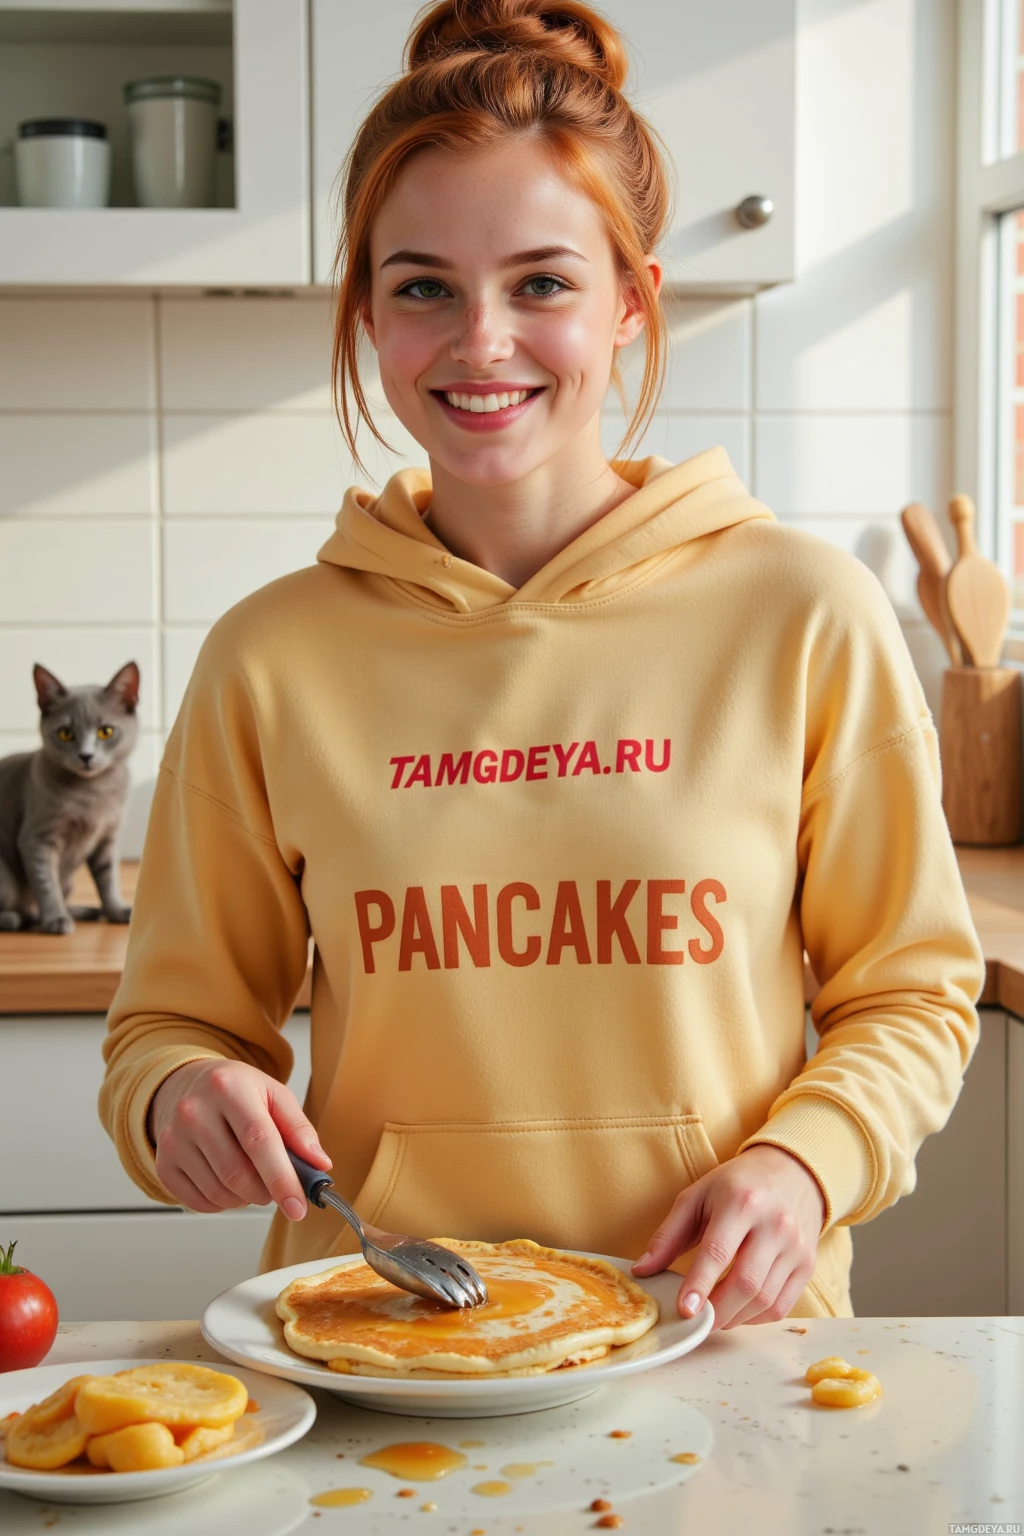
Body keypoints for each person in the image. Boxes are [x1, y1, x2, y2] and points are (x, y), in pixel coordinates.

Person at [100, 0, 984, 1330]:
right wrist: (180, 1096)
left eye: (542, 283)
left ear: (632, 302)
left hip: (719, 1341)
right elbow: (169, 1029)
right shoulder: (269, 658)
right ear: (366, 311)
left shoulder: (804, 615)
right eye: (422, 288)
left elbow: (910, 991)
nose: (482, 340)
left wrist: (808, 1164)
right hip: (386, 1337)